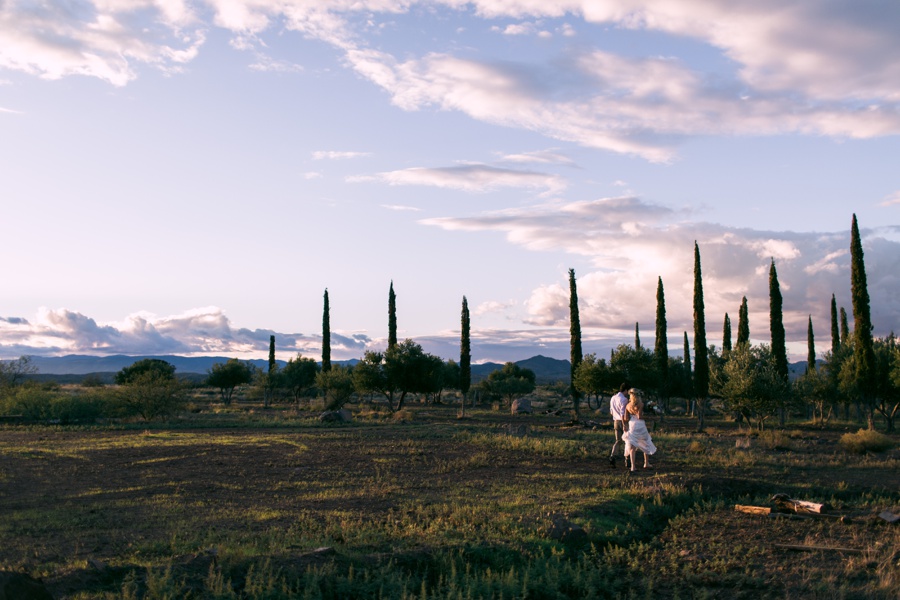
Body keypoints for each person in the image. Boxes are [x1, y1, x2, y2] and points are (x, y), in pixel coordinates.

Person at [622, 389, 657, 472]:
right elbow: (639, 416)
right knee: (646, 442)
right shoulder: (641, 404)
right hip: (640, 425)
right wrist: (649, 418)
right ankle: (646, 463)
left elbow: (626, 418)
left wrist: (624, 425)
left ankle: (633, 466)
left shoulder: (628, 405)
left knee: (632, 445)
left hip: (632, 424)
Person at [608, 383, 630, 468]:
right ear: (626, 390)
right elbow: (622, 413)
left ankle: (612, 456)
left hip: (615, 421)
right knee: (627, 441)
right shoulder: (624, 399)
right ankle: (627, 460)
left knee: (618, 441)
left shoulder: (613, 398)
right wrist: (624, 424)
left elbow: (611, 411)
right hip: (622, 421)